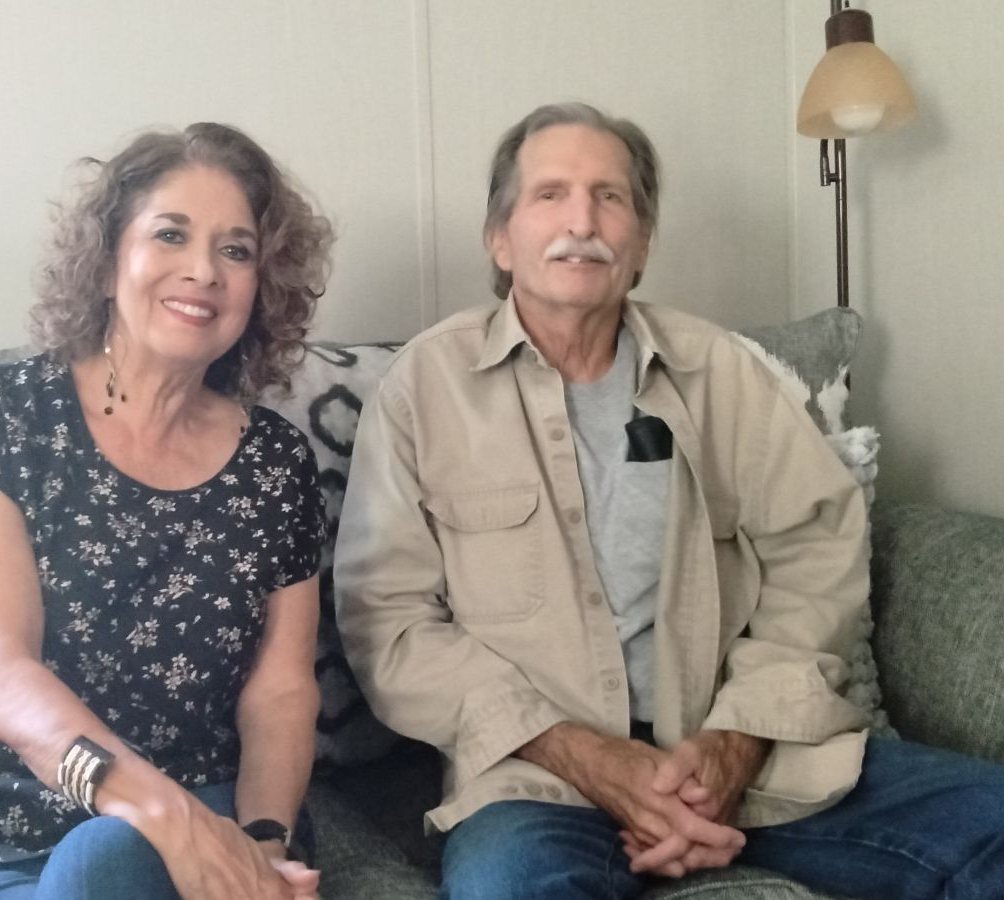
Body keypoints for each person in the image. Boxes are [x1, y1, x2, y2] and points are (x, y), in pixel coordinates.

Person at [333, 102, 1004, 899]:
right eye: (550, 194)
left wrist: (737, 740)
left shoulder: (721, 372)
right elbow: (390, 622)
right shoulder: (425, 388)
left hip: (742, 760)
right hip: (536, 779)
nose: (582, 221)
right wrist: (583, 753)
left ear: (643, 243)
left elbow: (813, 556)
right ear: (500, 239)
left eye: (610, 197)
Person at [0, 122, 334, 900]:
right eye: (170, 234)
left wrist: (262, 844)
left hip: (212, 813)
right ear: (108, 260)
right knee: (105, 859)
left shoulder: (275, 463)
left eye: (236, 250)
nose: (203, 271)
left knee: (119, 860)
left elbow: (281, 691)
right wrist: (166, 819)